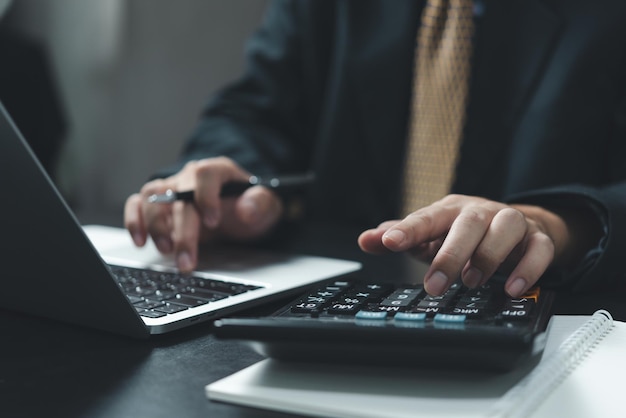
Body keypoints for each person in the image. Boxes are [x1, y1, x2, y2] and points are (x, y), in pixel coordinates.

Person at [125, 0, 626, 298]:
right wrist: (237, 188)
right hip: (324, 321)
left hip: (549, 328)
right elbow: (255, 110)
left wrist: (561, 224)